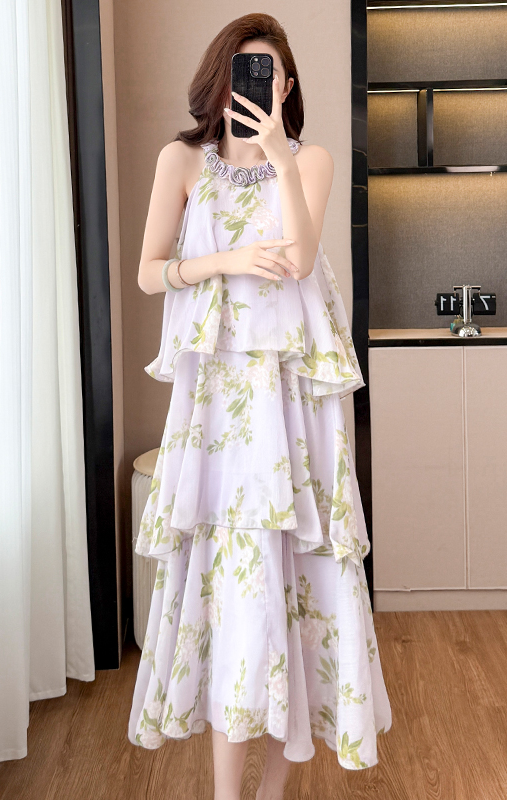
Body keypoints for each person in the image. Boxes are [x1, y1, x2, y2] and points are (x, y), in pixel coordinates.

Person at [129, 13, 392, 800]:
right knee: (233, 597)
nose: (257, 84)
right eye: (244, 70)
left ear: (286, 86)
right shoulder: (181, 160)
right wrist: (226, 260)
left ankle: (271, 792)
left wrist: (278, 155)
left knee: (297, 589)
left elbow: (303, 259)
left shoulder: (310, 160)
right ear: (220, 79)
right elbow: (149, 272)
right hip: (219, 405)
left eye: (270, 74)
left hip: (293, 402)